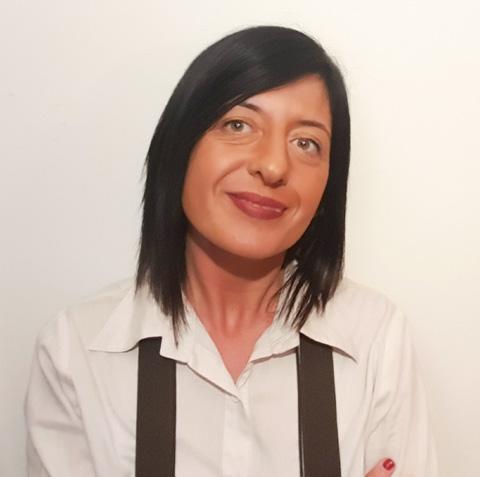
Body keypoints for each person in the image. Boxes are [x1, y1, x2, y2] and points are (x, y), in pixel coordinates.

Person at [24, 26, 438, 476]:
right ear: (180, 146)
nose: (274, 166)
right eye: (238, 125)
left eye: (306, 143)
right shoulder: (76, 350)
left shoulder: (375, 338)